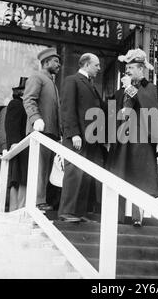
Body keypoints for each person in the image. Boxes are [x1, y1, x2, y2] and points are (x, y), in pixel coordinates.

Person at [106, 49, 158, 227]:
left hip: (140, 142)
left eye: (132, 67)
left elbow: (150, 109)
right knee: (119, 176)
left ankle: (136, 216)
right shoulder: (121, 91)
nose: (128, 71)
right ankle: (115, 217)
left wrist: (130, 89)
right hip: (121, 141)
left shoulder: (150, 88)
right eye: (127, 68)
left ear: (141, 69)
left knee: (138, 178)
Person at [58, 53, 105, 223]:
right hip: (77, 138)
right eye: (96, 65)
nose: (99, 69)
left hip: (90, 138)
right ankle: (67, 212)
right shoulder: (73, 80)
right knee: (74, 173)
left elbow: (103, 109)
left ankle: (78, 213)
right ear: (86, 65)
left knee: (85, 175)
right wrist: (73, 134)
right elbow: (67, 109)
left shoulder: (90, 85)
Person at [23, 48, 62, 212]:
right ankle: (37, 202)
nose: (59, 64)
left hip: (51, 134)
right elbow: (29, 99)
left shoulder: (52, 83)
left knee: (46, 169)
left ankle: (41, 200)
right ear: (46, 62)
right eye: (55, 61)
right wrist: (35, 119)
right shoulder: (37, 77)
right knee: (39, 168)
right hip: (40, 133)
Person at [5, 77, 28, 211]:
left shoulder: (26, 106)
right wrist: (14, 144)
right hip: (19, 149)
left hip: (26, 150)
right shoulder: (16, 104)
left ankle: (20, 208)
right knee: (18, 178)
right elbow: (11, 126)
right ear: (22, 93)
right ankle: (16, 209)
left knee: (23, 178)